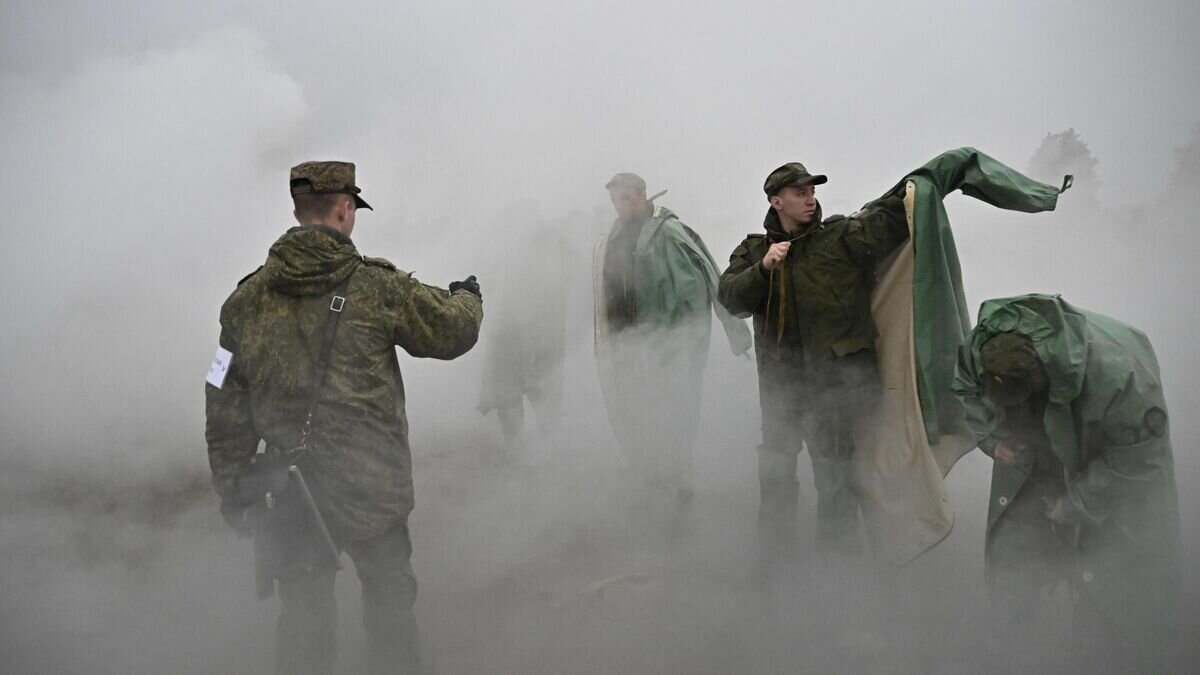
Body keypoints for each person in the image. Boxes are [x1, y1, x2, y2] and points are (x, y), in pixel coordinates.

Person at [205, 161, 483, 675]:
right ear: (344, 209)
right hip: (372, 485)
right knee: (390, 604)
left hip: (289, 491)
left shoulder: (241, 303)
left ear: (296, 211)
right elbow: (452, 333)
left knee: (304, 622)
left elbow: (220, 393)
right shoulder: (378, 287)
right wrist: (468, 296)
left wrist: (231, 489)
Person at [953, 293, 1180, 669]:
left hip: (1109, 464)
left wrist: (1076, 503)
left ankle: (1098, 658)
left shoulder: (1121, 374)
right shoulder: (984, 346)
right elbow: (964, 390)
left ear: (1044, 375)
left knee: (1111, 583)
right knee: (1012, 560)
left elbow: (1138, 458)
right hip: (1036, 456)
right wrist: (993, 441)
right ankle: (1014, 654)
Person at [717, 162, 908, 560]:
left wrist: (923, 184)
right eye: (800, 193)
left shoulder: (840, 237)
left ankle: (837, 571)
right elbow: (730, 300)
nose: (810, 199)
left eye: (812, 192)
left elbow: (896, 220)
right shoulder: (754, 250)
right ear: (776, 201)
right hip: (781, 389)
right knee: (776, 478)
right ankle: (775, 564)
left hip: (835, 389)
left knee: (837, 482)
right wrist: (763, 268)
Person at [593, 172, 751, 526]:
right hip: (625, 344)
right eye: (616, 199)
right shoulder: (611, 237)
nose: (621, 205)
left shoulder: (670, 231)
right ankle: (648, 484)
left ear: (642, 196)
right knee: (635, 413)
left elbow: (712, 275)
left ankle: (680, 492)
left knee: (675, 413)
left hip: (669, 339)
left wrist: (735, 330)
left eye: (627, 197)